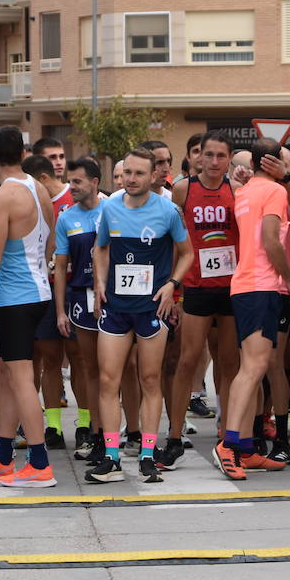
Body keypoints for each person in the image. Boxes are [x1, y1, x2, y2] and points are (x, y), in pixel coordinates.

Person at [85, 147, 192, 483]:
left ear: (154, 176)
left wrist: (172, 285)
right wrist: (100, 282)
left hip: (150, 308)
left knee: (149, 380)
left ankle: (147, 454)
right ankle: (112, 456)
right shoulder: (111, 207)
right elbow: (100, 247)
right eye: (127, 172)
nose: (131, 179)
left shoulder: (168, 211)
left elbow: (188, 254)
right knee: (108, 380)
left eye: (139, 173)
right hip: (116, 307)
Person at [0, 126, 59, 487]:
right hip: (35, 292)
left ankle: (39, 462)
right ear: (23, 152)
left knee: (19, 380)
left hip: (17, 297)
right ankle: (3, 455)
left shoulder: (3, 196)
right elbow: (50, 238)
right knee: (8, 376)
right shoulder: (40, 189)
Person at [213, 138, 290, 480]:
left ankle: (245, 448)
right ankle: (229, 445)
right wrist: (289, 280)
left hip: (245, 285)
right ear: (272, 162)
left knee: (251, 367)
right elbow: (271, 241)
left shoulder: (245, 191)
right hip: (263, 285)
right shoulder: (273, 192)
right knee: (254, 368)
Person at [164, 132, 240, 469]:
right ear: (197, 157)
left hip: (231, 286)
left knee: (229, 362)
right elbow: (174, 241)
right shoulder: (184, 190)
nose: (212, 162)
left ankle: (228, 432)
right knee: (188, 360)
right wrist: (174, 287)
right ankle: (175, 436)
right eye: (207, 155)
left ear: (229, 159)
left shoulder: (237, 190)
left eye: (220, 156)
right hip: (195, 285)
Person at [53, 159, 103, 459]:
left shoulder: (111, 209)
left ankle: (120, 433)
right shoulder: (66, 218)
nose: (71, 187)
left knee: (116, 370)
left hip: (112, 299)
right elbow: (60, 268)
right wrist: (60, 311)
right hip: (80, 299)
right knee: (90, 368)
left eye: (77, 182)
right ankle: (97, 434)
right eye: (69, 182)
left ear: (94, 182)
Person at [23, 153, 71, 447]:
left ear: (41, 179)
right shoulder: (32, 203)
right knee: (46, 359)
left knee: (80, 361)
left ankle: (88, 424)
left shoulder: (74, 198)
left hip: (77, 290)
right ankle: (51, 426)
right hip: (42, 290)